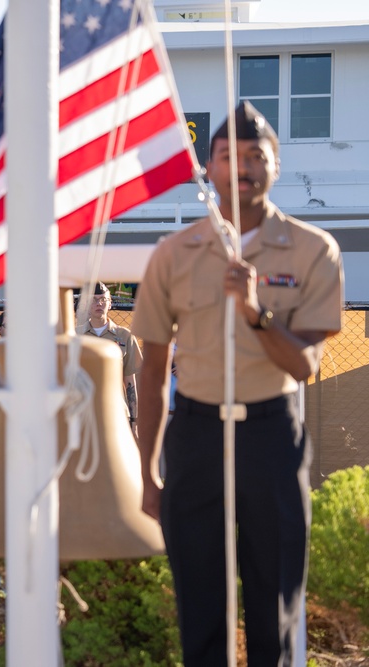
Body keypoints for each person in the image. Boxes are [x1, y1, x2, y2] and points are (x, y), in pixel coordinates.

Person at [132, 101, 344, 667]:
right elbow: (153, 369)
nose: (243, 166)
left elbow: (305, 366)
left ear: (275, 166)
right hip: (196, 439)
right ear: (210, 168)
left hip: (270, 437)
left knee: (273, 610)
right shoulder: (174, 255)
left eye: (257, 155)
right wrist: (148, 473)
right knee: (201, 614)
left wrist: (255, 311)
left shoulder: (312, 250)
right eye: (229, 155)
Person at [80, 282, 142, 434]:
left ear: (110, 303)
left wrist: (134, 420)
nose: (99, 303)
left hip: (115, 412)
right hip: (83, 412)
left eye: (103, 299)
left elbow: (130, 381)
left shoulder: (125, 336)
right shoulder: (76, 336)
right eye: (93, 300)